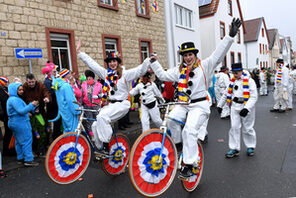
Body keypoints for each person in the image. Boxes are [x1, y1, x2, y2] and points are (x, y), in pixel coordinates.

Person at [149, 18, 242, 179]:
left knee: (190, 130)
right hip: (184, 104)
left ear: (195, 55)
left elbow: (219, 53)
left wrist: (230, 36)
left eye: (190, 54)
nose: (188, 58)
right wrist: (154, 62)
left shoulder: (205, 65)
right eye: (185, 55)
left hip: (200, 106)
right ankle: (179, 146)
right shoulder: (179, 71)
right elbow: (163, 76)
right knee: (171, 119)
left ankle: (190, 165)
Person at [77, 40, 151, 153]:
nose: (112, 63)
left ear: (118, 62)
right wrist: (80, 53)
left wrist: (148, 60)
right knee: (95, 124)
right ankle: (100, 148)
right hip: (110, 105)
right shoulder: (107, 74)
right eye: (110, 61)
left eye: (114, 61)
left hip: (122, 104)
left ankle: (106, 146)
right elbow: (93, 65)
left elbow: (139, 70)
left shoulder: (126, 74)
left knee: (102, 118)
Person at [217, 63, 258, 158]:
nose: (235, 74)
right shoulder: (232, 82)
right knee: (234, 127)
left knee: (248, 128)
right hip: (235, 107)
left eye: (237, 72)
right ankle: (234, 148)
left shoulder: (249, 81)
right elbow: (226, 93)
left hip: (246, 107)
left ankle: (250, 146)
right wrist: (220, 105)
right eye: (234, 72)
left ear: (241, 71)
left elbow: (254, 96)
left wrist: (246, 108)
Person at [7, 83, 39, 166]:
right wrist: (32, 105)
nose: (21, 91)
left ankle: (20, 158)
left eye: (22, 89)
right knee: (27, 140)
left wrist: (28, 110)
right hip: (20, 123)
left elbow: (18, 111)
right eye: (19, 90)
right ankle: (28, 160)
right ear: (14, 90)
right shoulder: (15, 99)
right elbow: (21, 111)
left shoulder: (11, 99)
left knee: (18, 141)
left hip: (14, 122)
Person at [22, 73, 51, 156]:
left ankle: (45, 146)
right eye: (29, 82)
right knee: (34, 131)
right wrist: (26, 111)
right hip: (30, 113)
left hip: (41, 111)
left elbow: (46, 92)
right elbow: (22, 100)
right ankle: (35, 149)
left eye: (32, 82)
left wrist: (47, 98)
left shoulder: (40, 85)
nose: (31, 84)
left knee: (45, 128)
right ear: (26, 81)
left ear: (35, 80)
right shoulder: (24, 87)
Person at [42, 62, 62, 141]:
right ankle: (55, 140)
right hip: (52, 107)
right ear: (49, 72)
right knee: (55, 125)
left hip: (56, 106)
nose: (55, 73)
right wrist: (57, 89)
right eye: (54, 72)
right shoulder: (47, 82)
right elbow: (51, 93)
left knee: (58, 124)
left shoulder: (53, 80)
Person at [81, 70, 102, 137]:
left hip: (96, 105)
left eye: (90, 78)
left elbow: (103, 94)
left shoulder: (99, 85)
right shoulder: (84, 85)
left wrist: (98, 96)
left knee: (98, 119)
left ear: (93, 78)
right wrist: (80, 104)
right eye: (87, 78)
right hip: (87, 105)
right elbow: (81, 95)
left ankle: (99, 132)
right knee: (89, 120)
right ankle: (91, 134)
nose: (88, 80)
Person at [0, 76, 16, 156]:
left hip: (9, 114)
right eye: (6, 82)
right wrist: (3, 116)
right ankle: (7, 150)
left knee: (10, 132)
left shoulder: (6, 90)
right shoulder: (1, 92)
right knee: (8, 133)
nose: (7, 84)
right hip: (6, 115)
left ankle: (10, 149)